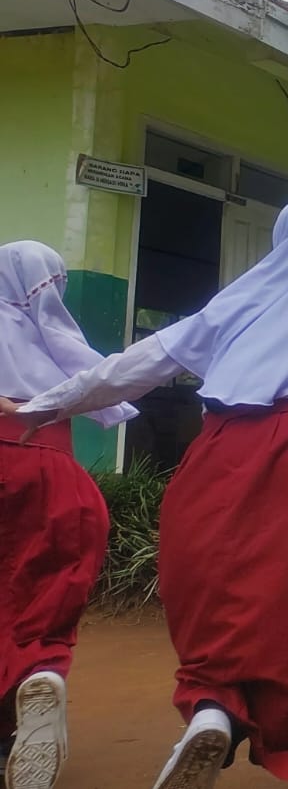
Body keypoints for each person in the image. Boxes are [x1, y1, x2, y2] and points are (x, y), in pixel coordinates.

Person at [1, 197, 288, 789]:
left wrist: (42, 407)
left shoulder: (239, 302)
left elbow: (132, 368)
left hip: (223, 451)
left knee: (222, 589)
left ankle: (214, 707)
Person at [0, 241, 138, 789]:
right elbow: (103, 379)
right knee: (45, 588)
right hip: (47, 466)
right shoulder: (52, 336)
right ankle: (39, 670)